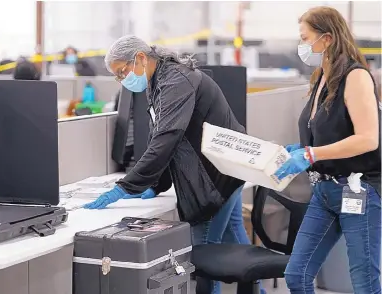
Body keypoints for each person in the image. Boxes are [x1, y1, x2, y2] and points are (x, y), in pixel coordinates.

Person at [83, 35, 265, 294]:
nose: (122, 80)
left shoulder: (175, 82)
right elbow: (170, 136)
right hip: (225, 172)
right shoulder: (160, 80)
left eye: (123, 72)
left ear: (141, 58)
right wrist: (156, 185)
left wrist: (126, 186)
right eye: (117, 76)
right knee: (239, 249)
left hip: (213, 182)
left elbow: (167, 138)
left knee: (204, 260)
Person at [274, 6, 381, 294]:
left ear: (328, 38)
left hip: (358, 189)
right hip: (324, 192)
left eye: (306, 38)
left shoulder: (355, 76)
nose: (302, 46)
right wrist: (303, 148)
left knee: (364, 283)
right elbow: (328, 129)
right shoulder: (321, 77)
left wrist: (311, 154)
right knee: (297, 275)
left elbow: (369, 139)